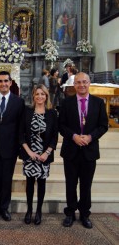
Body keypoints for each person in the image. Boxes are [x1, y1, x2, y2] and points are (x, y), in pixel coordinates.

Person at [59, 72, 108, 229]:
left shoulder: (98, 103)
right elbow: (61, 126)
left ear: (89, 83)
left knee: (86, 185)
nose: (81, 85)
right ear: (74, 85)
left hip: (89, 150)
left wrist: (90, 137)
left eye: (84, 82)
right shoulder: (66, 103)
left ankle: (85, 214)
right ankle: (70, 213)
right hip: (71, 150)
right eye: (78, 82)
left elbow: (103, 125)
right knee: (71, 184)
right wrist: (73, 136)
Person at [0, 71, 25, 221]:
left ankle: (4, 208)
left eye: (6, 81)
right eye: (0, 81)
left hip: (10, 147)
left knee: (6, 179)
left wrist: (20, 146)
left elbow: (21, 126)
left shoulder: (18, 102)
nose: (3, 84)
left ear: (10, 82)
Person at [19, 84, 58, 225]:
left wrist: (46, 153)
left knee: (41, 183)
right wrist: (29, 152)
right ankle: (29, 210)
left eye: (43, 94)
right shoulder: (27, 111)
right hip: (30, 154)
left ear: (46, 96)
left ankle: (39, 211)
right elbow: (21, 134)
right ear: (33, 96)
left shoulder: (52, 113)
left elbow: (54, 136)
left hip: (44, 155)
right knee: (30, 183)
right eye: (37, 94)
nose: (40, 96)